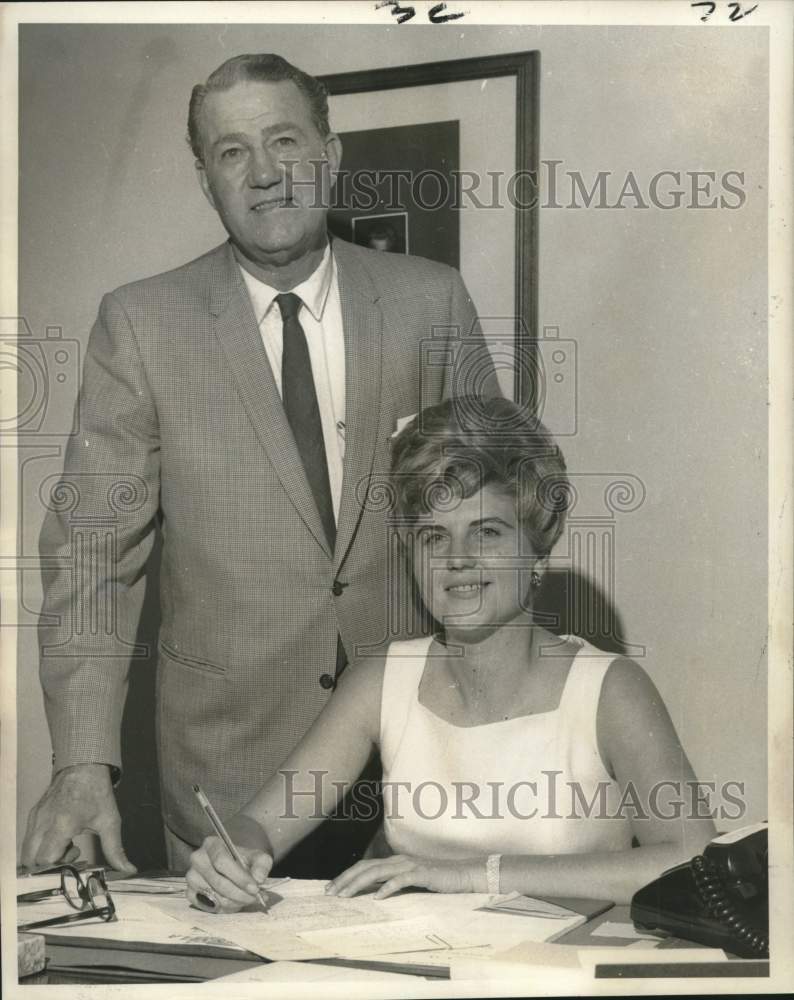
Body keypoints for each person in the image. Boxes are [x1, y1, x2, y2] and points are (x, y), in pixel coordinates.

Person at [22, 53, 495, 875]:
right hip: (227, 788)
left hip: (420, 768)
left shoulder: (431, 301)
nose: (266, 173)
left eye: (285, 139)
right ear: (206, 179)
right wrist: (80, 764)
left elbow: (499, 526)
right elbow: (93, 555)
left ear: (330, 153)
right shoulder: (141, 324)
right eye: (233, 152)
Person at [186, 396, 716, 909]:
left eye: (486, 532)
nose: (457, 559)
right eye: (434, 537)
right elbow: (257, 824)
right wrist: (230, 853)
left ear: (536, 548)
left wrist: (470, 875)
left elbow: (695, 861)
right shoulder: (380, 682)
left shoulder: (610, 689)